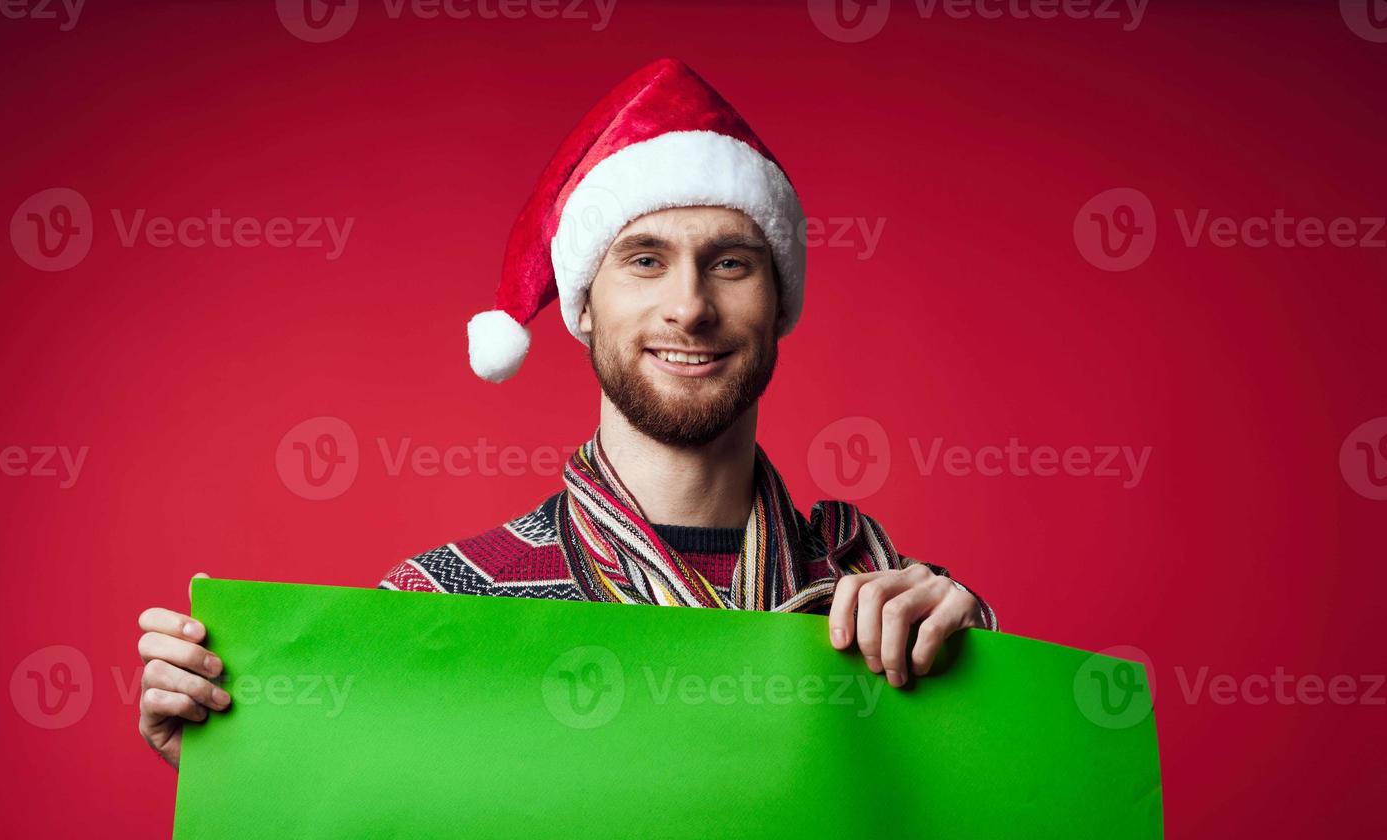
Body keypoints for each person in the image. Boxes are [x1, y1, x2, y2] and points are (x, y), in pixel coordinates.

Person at [135, 57, 997, 769]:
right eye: (646, 261)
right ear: (583, 307)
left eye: (730, 263)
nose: (689, 308)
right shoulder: (439, 610)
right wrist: (226, 764)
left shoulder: (889, 608)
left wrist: (982, 684)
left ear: (780, 305)